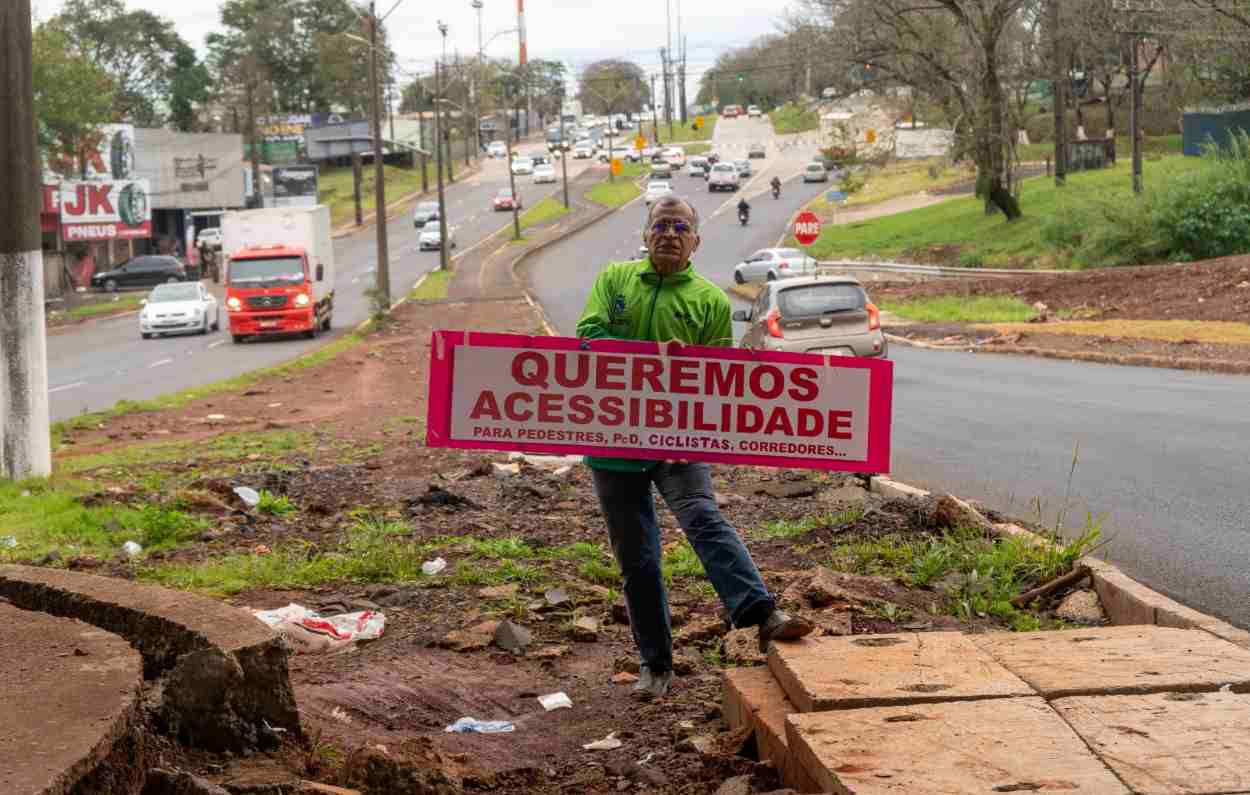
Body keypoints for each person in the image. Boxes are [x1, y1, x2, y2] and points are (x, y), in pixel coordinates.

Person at [576, 196, 814, 700]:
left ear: (696, 242)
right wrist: (651, 356)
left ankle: (760, 612)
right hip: (613, 441)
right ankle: (656, 666)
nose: (668, 233)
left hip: (678, 441)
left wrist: (696, 434)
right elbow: (588, 339)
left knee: (703, 516)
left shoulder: (708, 300)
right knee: (637, 558)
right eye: (659, 226)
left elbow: (717, 381)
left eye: (679, 227)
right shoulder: (614, 280)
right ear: (645, 236)